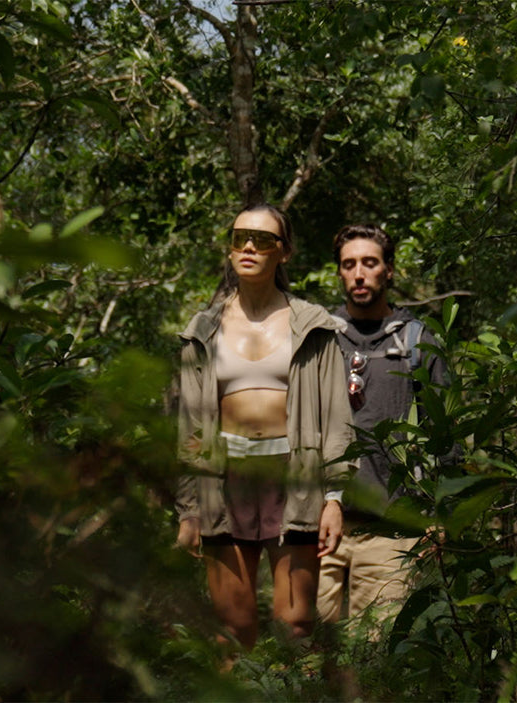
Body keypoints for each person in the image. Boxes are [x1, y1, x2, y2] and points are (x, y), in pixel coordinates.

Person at [172, 204, 357, 650]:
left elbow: (336, 416)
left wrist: (334, 497)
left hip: (295, 480)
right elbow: (190, 427)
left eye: (263, 239)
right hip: (224, 483)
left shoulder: (312, 326)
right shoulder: (203, 330)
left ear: (284, 252)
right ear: (230, 248)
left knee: (295, 627)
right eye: (240, 238)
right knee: (231, 631)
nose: (249, 247)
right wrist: (188, 510)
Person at [317, 224, 454, 632]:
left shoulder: (417, 342)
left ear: (389, 270)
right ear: (340, 272)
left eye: (369, 263)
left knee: (376, 654)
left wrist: (441, 514)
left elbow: (443, 434)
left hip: (391, 531)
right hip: (319, 525)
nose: (359, 274)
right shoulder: (320, 339)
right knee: (303, 652)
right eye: (349, 265)